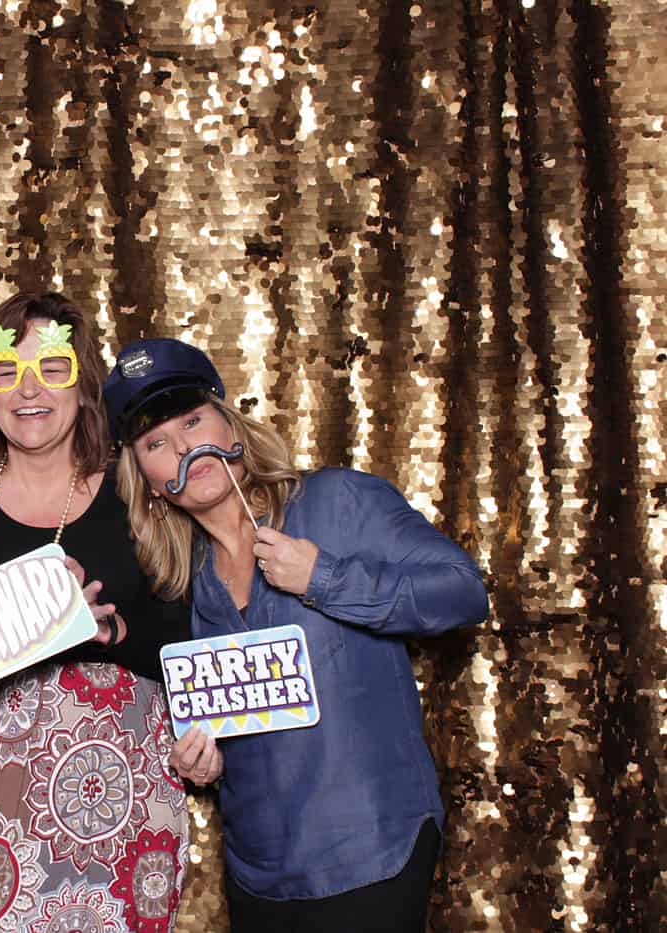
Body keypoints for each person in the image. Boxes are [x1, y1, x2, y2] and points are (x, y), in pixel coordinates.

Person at [104, 336, 490, 932]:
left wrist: (324, 576)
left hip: (371, 850)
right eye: (157, 442)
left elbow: (464, 591)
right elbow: (246, 724)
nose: (184, 446)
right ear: (150, 481)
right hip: (261, 876)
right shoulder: (185, 589)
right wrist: (205, 765)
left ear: (230, 426)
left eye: (193, 419)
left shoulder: (337, 501)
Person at [0, 292, 202, 933]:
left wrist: (110, 630)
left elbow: (190, 642)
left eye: (53, 369)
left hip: (127, 796)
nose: (29, 390)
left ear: (85, 382)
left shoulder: (138, 487)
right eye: (6, 371)